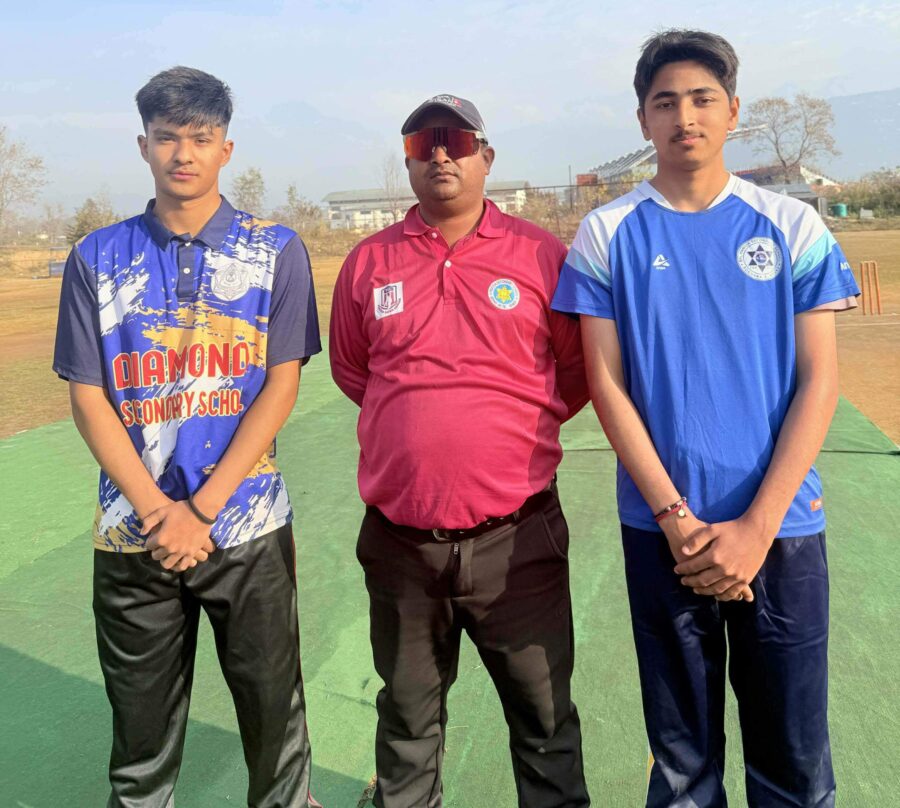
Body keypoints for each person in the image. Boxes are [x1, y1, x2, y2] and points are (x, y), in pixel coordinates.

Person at [552, 29, 859, 808]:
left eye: (701, 99)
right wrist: (674, 516)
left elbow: (820, 381)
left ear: (733, 111)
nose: (684, 116)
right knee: (683, 760)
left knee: (793, 758)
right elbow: (607, 385)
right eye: (665, 103)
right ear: (642, 120)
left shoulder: (792, 225)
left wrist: (757, 525)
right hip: (664, 534)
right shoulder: (606, 233)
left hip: (781, 530)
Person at [52, 66, 321, 808]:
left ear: (225, 149)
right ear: (143, 145)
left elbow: (280, 386)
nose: (183, 153)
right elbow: (87, 394)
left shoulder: (276, 250)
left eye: (201, 138)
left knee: (274, 719)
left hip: (246, 524)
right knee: (140, 738)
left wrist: (201, 510)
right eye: (167, 137)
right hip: (132, 530)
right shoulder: (96, 257)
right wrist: (158, 509)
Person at [330, 94, 591, 807]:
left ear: (486, 157)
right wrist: (418, 430)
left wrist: (503, 433)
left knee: (543, 720)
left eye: (457, 140)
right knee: (408, 720)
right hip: (401, 545)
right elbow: (354, 372)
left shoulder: (540, 255)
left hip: (519, 538)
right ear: (409, 162)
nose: (440, 154)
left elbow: (574, 373)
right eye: (423, 144)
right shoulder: (368, 262)